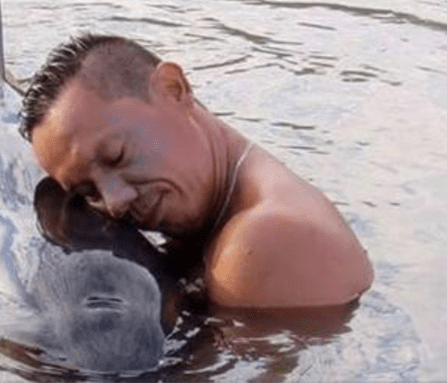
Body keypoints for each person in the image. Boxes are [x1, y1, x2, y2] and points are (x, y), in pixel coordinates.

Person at [20, 34, 374, 309]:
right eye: (88, 193)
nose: (114, 202)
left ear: (174, 89)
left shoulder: (261, 240)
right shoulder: (228, 208)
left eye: (117, 156)